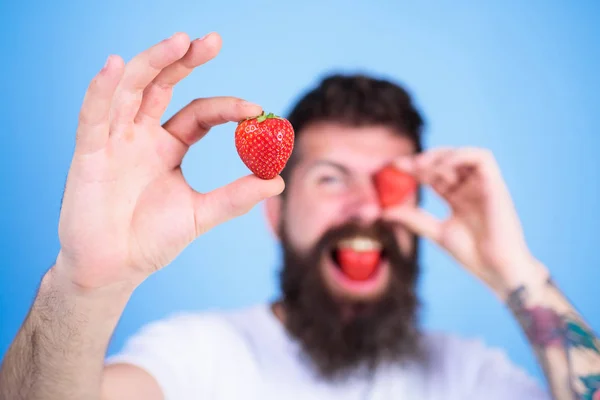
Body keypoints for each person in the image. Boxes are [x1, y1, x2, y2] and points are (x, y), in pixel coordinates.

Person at [0, 32, 598, 400]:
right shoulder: (198, 356)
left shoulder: (469, 377)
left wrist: (516, 273)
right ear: (275, 211)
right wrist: (85, 286)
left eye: (389, 181)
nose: (366, 208)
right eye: (332, 179)